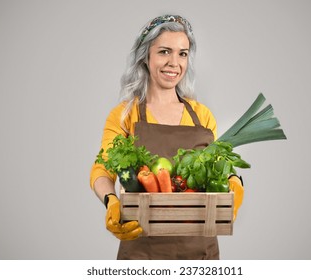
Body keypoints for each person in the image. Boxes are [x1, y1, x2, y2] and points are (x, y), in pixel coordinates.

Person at [90, 15, 244, 260]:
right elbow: (102, 169)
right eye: (164, 51)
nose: (174, 63)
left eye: (182, 54)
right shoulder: (124, 115)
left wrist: (236, 182)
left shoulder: (202, 115)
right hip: (142, 251)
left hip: (200, 253)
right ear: (145, 56)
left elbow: (220, 166)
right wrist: (111, 201)